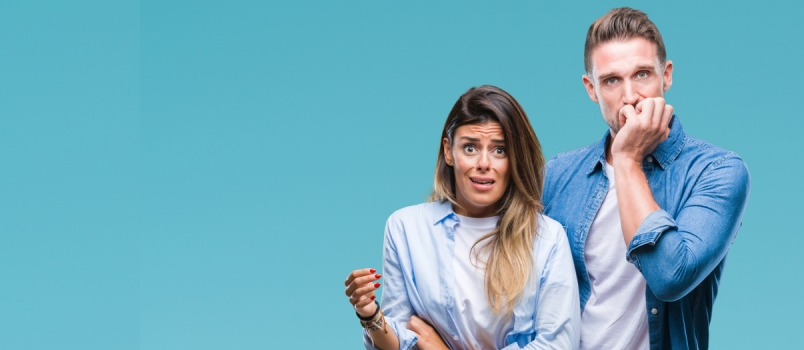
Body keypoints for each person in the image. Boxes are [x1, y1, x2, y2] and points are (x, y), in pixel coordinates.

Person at [542, 7, 751, 350]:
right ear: (591, 88)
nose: (630, 96)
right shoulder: (557, 176)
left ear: (666, 76)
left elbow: (670, 276)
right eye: (611, 80)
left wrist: (627, 159)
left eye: (642, 75)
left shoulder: (717, 171)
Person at [344, 85, 580, 350]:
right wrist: (369, 314)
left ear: (514, 159)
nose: (483, 163)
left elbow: (558, 345)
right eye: (470, 148)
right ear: (448, 151)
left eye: (499, 150)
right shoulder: (405, 228)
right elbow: (401, 340)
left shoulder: (547, 237)